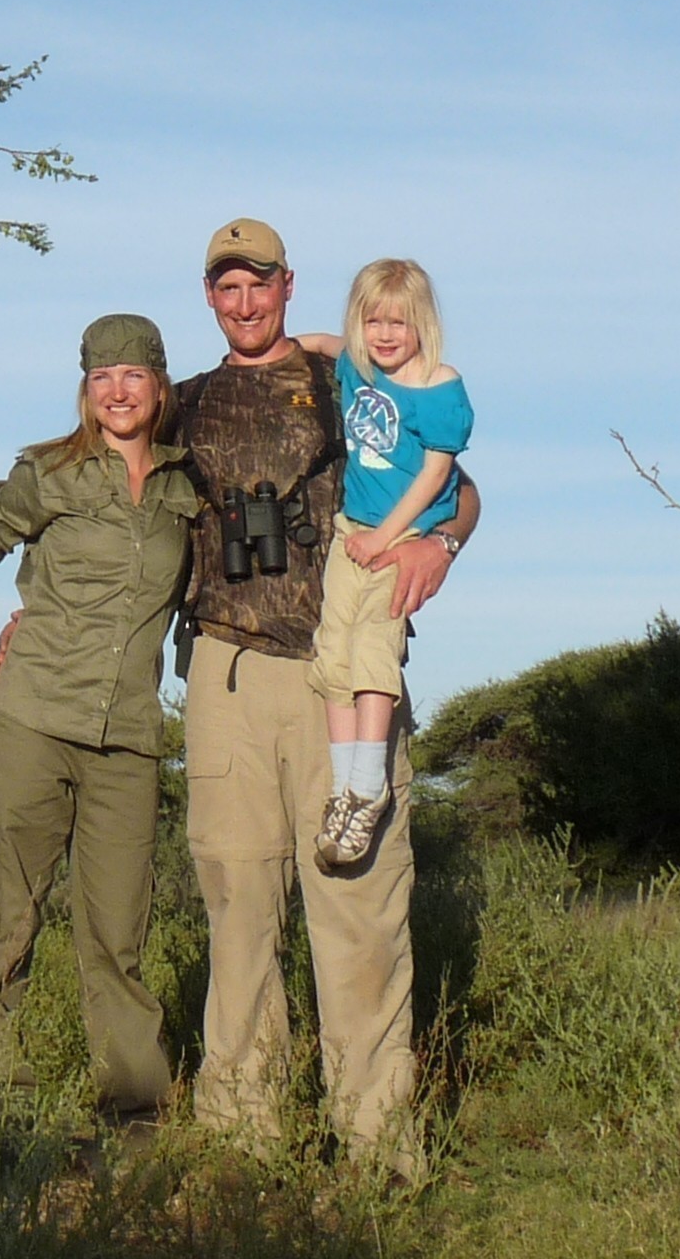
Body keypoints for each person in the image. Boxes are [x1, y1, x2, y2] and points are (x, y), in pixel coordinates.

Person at [170, 216, 475, 1173]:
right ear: (210, 296)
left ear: (288, 285)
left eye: (259, 284)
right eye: (227, 287)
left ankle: (379, 1146)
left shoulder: (346, 382)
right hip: (224, 671)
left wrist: (441, 542)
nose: (244, 302)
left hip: (340, 679)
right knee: (238, 898)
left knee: (358, 906)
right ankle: (241, 1145)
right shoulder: (183, 403)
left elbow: (459, 486)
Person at [0, 310, 202, 1123]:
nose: (119, 392)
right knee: (8, 918)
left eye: (134, 376)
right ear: (86, 389)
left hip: (128, 736)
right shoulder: (49, 471)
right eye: (103, 378)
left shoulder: (183, 486)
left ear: (160, 386)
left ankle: (132, 1114)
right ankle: (2, 1106)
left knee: (118, 935)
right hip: (29, 718)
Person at [304, 258, 471, 875]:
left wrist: (389, 539)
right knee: (334, 649)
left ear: (422, 322)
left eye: (398, 321)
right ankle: (345, 787)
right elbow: (325, 344)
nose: (385, 333)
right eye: (373, 320)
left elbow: (435, 475)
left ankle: (368, 784)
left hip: (401, 536)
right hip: (352, 532)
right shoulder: (357, 366)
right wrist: (287, 344)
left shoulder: (440, 388)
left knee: (374, 643)